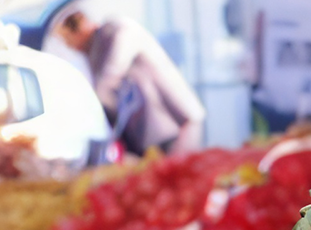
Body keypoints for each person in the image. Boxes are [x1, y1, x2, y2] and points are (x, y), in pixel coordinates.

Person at [56, 10, 205, 155]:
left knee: (177, 168)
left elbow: (108, 78)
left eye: (67, 39)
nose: (69, 46)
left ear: (81, 25)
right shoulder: (92, 51)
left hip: (174, 125)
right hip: (146, 135)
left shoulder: (117, 30)